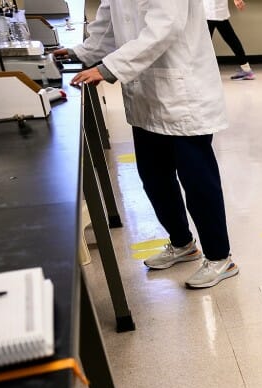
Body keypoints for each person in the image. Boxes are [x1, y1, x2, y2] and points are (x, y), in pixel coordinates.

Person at [55, 0, 239, 289]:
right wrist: (82, 52)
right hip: (146, 92)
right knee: (153, 177)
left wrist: (108, 68)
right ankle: (183, 244)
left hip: (181, 90)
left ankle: (220, 257)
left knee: (197, 181)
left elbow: (165, 27)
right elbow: (108, 21)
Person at [205, 0, 254, 80]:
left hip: (212, 10)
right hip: (214, 10)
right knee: (231, 39)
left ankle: (199, 72)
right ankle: (246, 70)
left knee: (203, 44)